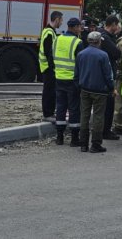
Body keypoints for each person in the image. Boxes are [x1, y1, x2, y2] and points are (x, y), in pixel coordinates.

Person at [74, 31, 115, 153]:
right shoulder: (103, 55)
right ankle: (96, 144)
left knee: (84, 116)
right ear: (99, 41)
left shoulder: (81, 54)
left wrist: (79, 86)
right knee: (98, 116)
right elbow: (108, 75)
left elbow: (76, 74)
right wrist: (112, 88)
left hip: (85, 89)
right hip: (100, 91)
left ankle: (83, 144)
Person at [53, 17, 84, 146]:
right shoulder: (77, 42)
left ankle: (59, 137)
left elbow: (52, 56)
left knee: (60, 107)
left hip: (59, 78)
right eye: (79, 27)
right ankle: (74, 139)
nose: (80, 29)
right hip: (72, 80)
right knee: (74, 109)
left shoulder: (57, 39)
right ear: (75, 27)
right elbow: (81, 63)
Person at [97, 15, 122, 141]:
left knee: (103, 105)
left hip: (101, 75)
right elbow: (117, 53)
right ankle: (105, 131)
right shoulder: (106, 38)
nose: (118, 27)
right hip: (106, 76)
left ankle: (103, 129)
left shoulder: (101, 35)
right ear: (112, 24)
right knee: (108, 105)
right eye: (117, 25)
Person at [38, 11, 63, 122]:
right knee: (49, 91)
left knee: (50, 90)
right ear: (56, 19)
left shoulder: (49, 31)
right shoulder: (49, 32)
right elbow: (49, 52)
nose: (61, 23)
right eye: (61, 20)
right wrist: (53, 66)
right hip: (48, 67)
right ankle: (48, 114)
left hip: (46, 66)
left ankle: (49, 113)